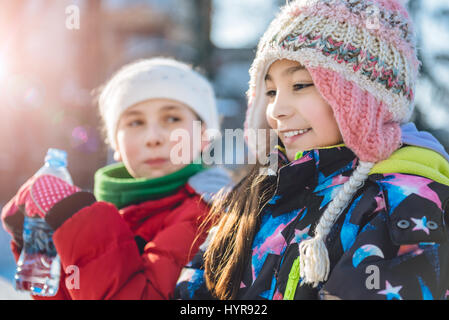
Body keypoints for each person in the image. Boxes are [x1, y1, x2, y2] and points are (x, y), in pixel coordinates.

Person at [175, 0, 449, 300]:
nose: (276, 109)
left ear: (364, 98)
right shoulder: (256, 193)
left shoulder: (404, 204)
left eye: (301, 85)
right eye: (270, 91)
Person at [1, 57, 231, 299]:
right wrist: (40, 242)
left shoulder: (207, 213)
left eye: (172, 118)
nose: (153, 137)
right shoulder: (115, 211)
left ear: (204, 136)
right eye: (135, 122)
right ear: (116, 145)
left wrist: (77, 219)